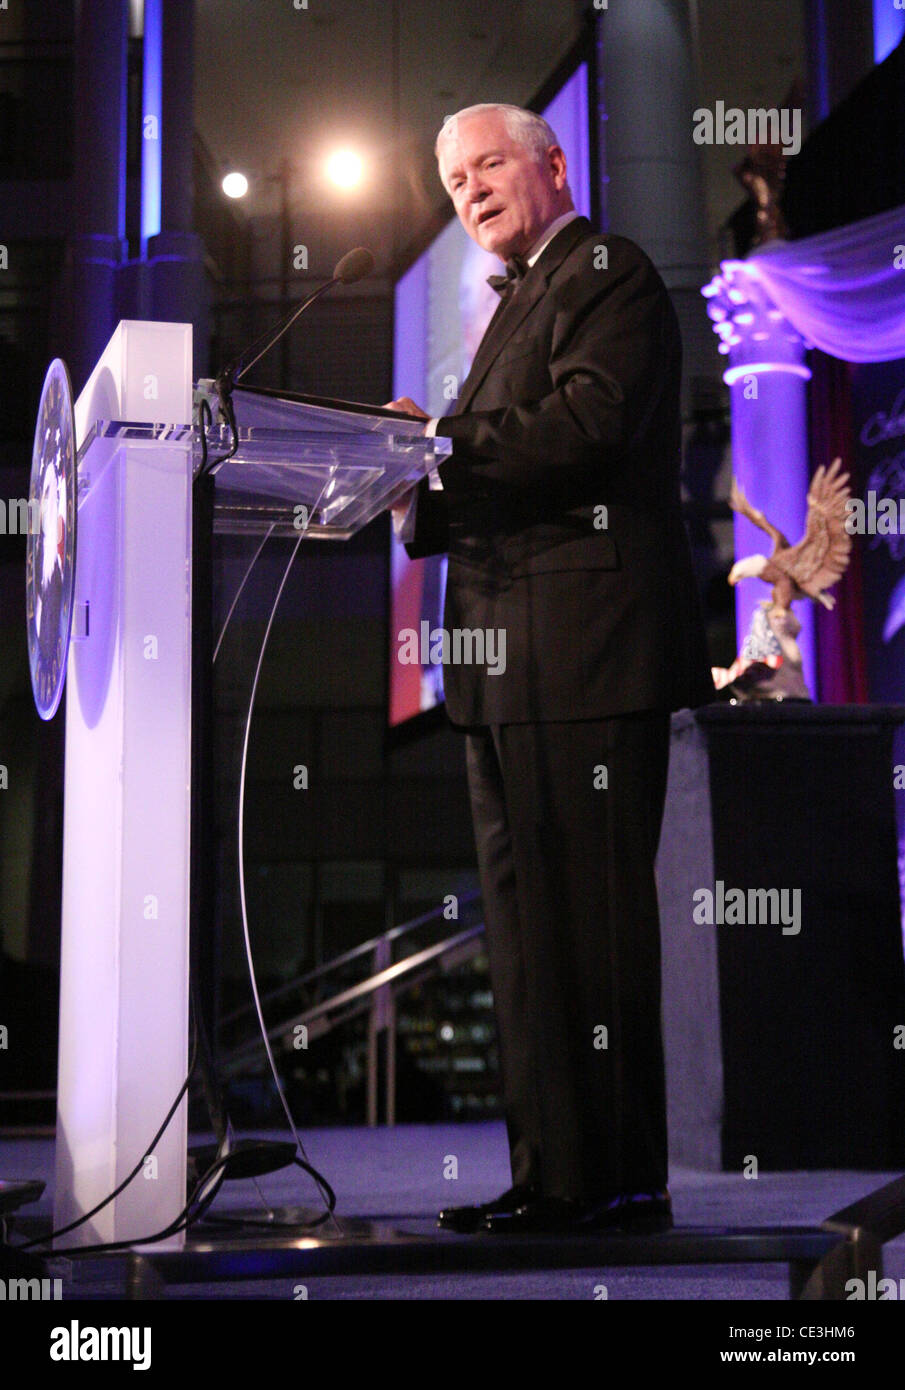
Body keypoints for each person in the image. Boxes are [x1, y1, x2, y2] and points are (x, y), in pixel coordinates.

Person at [386, 103, 713, 1234]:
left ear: (552, 163)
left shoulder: (605, 270)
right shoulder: (508, 302)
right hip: (500, 664)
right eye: (451, 179)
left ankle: (618, 1183)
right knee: (526, 942)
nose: (467, 190)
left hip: (588, 649)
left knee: (594, 925)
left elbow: (585, 423)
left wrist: (438, 446)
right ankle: (549, 1175)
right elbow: (480, 471)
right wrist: (407, 474)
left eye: (486, 165)